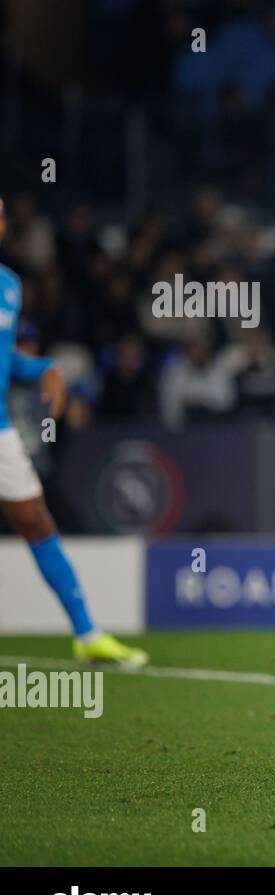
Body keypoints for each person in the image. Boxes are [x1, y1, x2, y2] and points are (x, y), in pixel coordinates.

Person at [0, 197, 147, 666]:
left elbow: (6, 360)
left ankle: (87, 633)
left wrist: (40, 367)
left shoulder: (8, 286)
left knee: (35, 520)